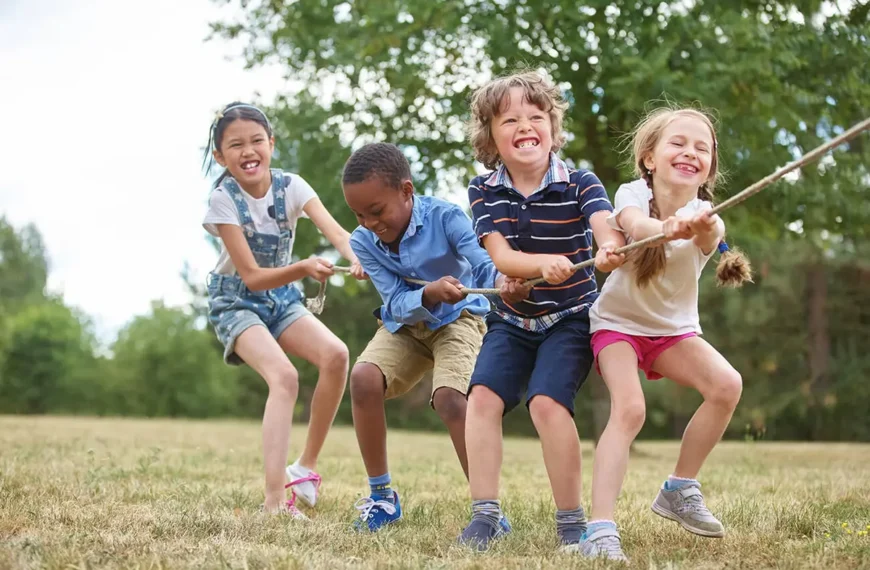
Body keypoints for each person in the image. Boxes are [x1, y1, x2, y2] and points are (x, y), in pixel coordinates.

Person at [461, 71, 626, 551]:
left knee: (547, 403)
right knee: (483, 400)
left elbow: (603, 225)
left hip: (571, 318)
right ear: (491, 136)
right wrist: (540, 264)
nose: (524, 125)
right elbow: (503, 257)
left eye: (536, 116)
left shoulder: (580, 181)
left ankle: (571, 523)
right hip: (512, 322)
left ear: (553, 128)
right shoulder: (483, 190)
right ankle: (485, 516)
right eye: (509, 119)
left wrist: (612, 246)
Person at [584, 107, 751, 561]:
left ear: (710, 166)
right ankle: (598, 530)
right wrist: (664, 228)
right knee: (631, 409)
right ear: (650, 158)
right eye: (678, 143)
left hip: (672, 333)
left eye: (702, 148)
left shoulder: (706, 213)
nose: (690, 153)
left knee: (726, 385)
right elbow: (636, 225)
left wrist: (698, 226)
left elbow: (711, 232)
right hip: (617, 326)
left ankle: (679, 488)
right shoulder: (632, 193)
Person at [341, 142, 526, 532]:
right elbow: (393, 302)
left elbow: (482, 262)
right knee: (363, 378)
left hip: (460, 319)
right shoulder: (362, 242)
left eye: (377, 211)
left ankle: (487, 511)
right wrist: (428, 293)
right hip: (406, 325)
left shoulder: (447, 216)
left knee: (450, 399)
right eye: (359, 215)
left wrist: (504, 282)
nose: (370, 222)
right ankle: (381, 497)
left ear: (407, 192)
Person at [202, 102, 365, 517]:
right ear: (221, 156)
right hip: (237, 299)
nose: (248, 150)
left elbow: (338, 232)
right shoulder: (223, 201)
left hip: (281, 299)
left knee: (336, 355)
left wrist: (358, 257)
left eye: (256, 140)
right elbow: (253, 276)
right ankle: (274, 502)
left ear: (271, 144)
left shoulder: (292, 186)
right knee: (285, 377)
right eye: (235, 145)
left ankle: (304, 470)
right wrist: (305, 266)